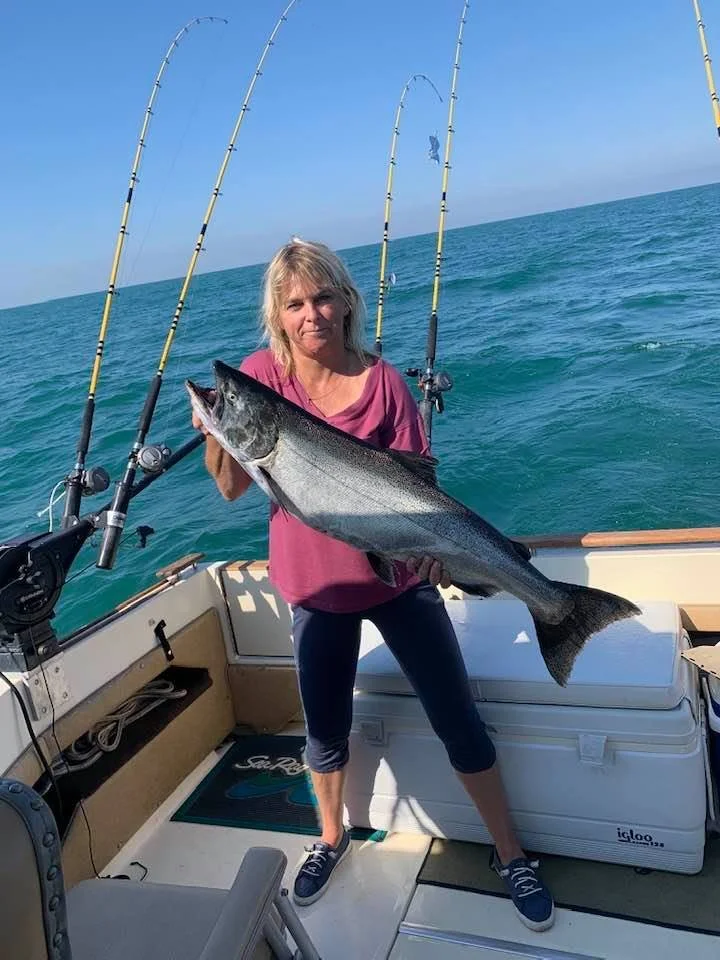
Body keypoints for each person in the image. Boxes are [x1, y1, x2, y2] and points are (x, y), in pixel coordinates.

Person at [191, 237, 555, 932]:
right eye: (295, 303)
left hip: (396, 583)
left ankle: (511, 853)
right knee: (325, 732)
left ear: (346, 302)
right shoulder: (260, 376)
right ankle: (330, 839)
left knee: (459, 721)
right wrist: (214, 426)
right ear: (277, 313)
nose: (312, 314)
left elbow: (422, 491)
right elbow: (234, 485)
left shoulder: (385, 383)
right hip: (316, 590)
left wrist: (437, 555)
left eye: (323, 297)